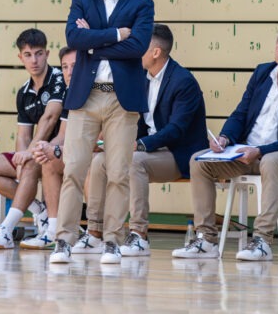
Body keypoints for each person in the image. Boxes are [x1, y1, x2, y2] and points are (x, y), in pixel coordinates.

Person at [172, 22, 278, 261]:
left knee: (271, 161)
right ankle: (206, 240)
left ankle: (262, 241)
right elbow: (241, 113)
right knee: (198, 161)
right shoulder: (262, 73)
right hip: (246, 153)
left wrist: (261, 150)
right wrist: (225, 138)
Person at [50, 0, 154, 265]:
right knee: (73, 170)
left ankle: (111, 241)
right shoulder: (82, 0)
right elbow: (73, 39)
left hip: (122, 101)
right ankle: (63, 240)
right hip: (86, 95)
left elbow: (138, 47)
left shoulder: (142, 4)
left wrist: (93, 42)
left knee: (119, 173)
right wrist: (116, 34)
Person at [79, 23, 208, 257]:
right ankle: (95, 232)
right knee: (99, 162)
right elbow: (135, 121)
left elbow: (176, 130)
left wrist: (138, 145)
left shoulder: (183, 81)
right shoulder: (140, 77)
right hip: (149, 151)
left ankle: (139, 235)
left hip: (179, 153)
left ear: (156, 52)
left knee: (134, 162)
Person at [0, 29, 65, 249]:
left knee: (32, 160)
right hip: (38, 151)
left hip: (59, 149)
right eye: (28, 55)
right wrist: (19, 159)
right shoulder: (23, 92)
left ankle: (6, 230)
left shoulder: (59, 78)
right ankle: (39, 210)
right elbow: (23, 134)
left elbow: (50, 118)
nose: (34, 60)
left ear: (47, 54)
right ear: (20, 57)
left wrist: (28, 153)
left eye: (39, 53)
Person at [20, 46, 76, 250]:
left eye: (75, 66)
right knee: (48, 160)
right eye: (65, 67)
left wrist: (53, 149)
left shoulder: (99, 91)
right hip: (74, 151)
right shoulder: (70, 93)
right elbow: (62, 135)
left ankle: (95, 233)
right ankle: (53, 229)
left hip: (97, 152)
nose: (69, 72)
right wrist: (46, 147)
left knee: (90, 164)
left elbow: (100, 139)